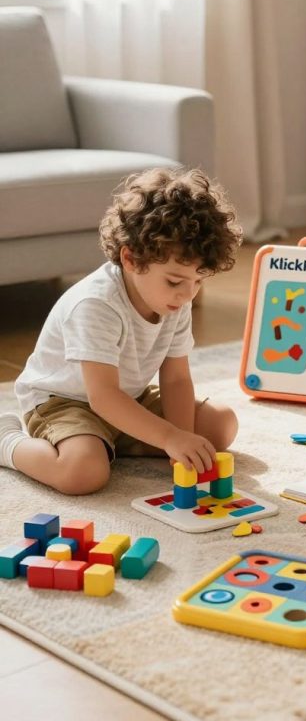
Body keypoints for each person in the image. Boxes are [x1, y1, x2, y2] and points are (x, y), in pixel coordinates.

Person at [0, 167, 242, 495]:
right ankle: (7, 441)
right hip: (65, 402)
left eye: (198, 281)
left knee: (220, 424)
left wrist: (180, 441)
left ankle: (112, 441)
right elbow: (102, 396)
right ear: (130, 258)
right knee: (82, 473)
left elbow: (176, 379)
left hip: (127, 398)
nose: (187, 295)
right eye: (174, 280)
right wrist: (169, 436)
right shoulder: (96, 304)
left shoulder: (176, 301)